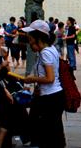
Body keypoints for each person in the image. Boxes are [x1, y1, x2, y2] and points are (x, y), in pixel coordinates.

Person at [22, 20, 65, 148]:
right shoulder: (50, 49)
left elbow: (50, 78)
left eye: (30, 38)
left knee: (48, 132)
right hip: (51, 95)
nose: (29, 42)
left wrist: (32, 79)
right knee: (53, 130)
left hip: (50, 97)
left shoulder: (45, 53)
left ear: (38, 38)